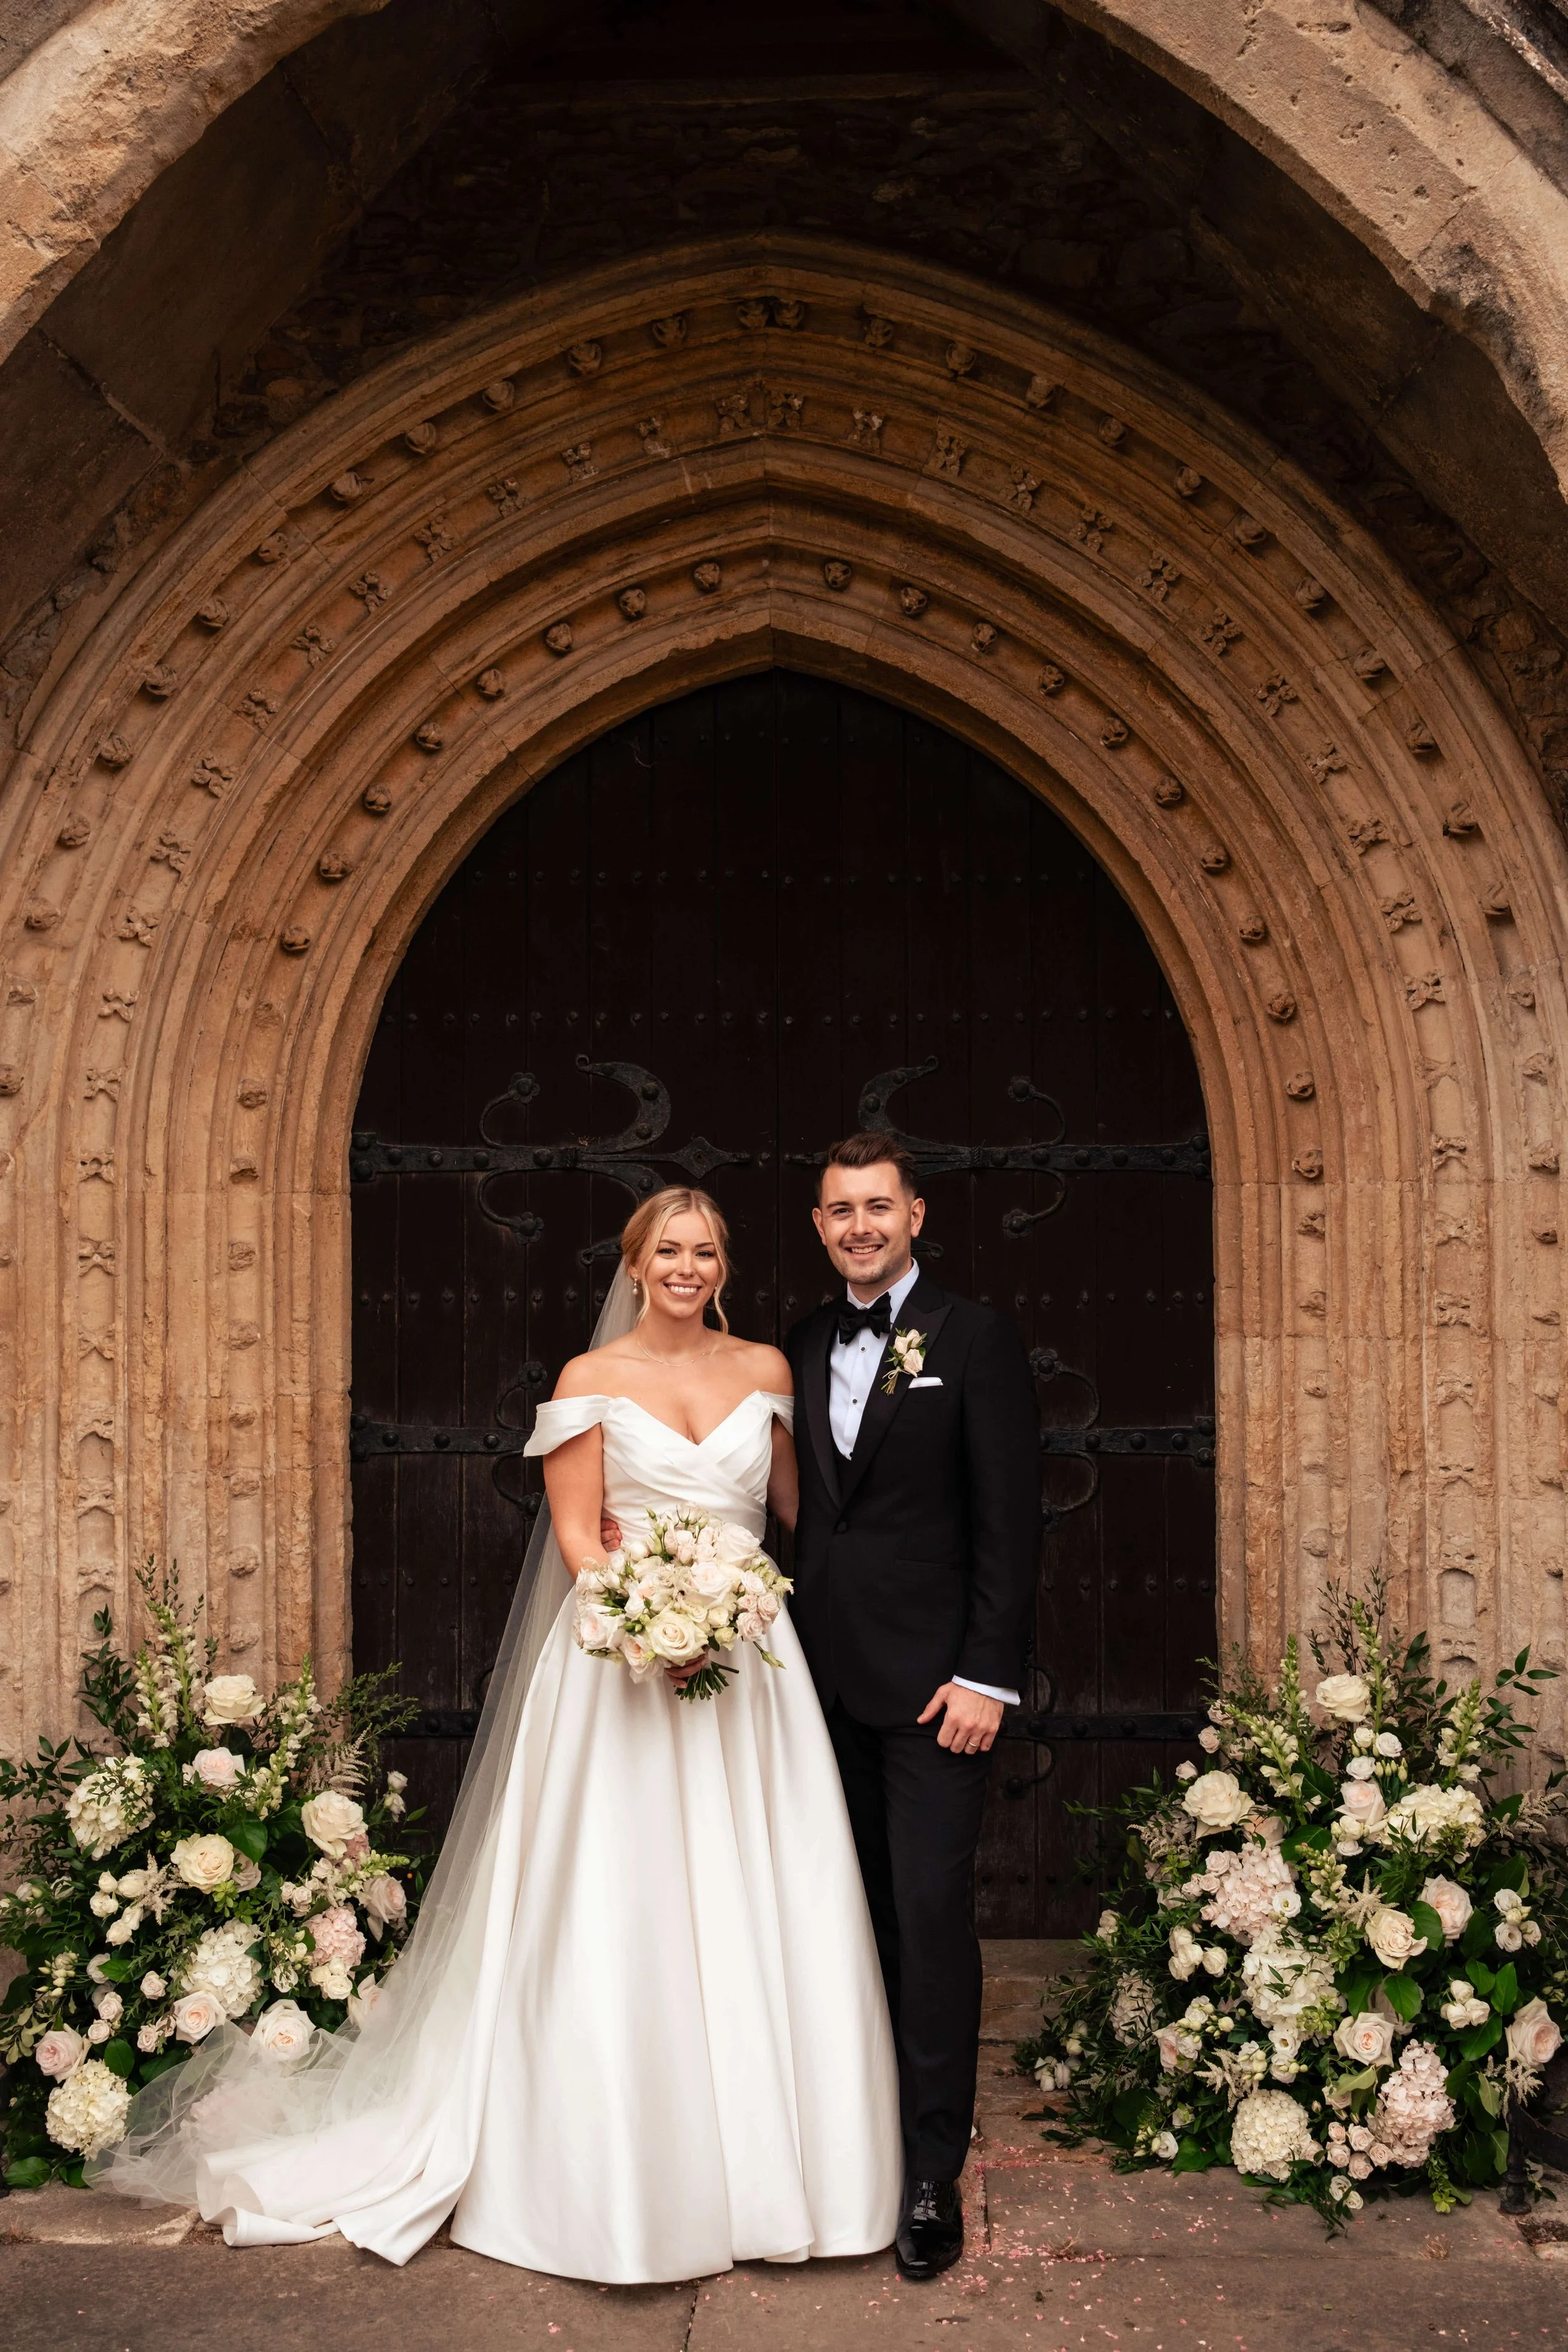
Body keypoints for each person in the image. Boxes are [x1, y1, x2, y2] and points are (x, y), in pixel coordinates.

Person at [94, 1187, 901, 2280]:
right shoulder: (590, 1381)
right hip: (623, 1668)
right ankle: (614, 2176)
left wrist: (740, 1605)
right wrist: (655, 1623)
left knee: (774, 1889)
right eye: (668, 1248)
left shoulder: (765, 1370)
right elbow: (578, 1535)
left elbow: (800, 1513)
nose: (687, 1266)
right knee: (623, 1900)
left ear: (726, 1264)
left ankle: (784, 2169)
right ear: (635, 1260)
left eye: (706, 1249)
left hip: (752, 1672)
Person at [783, 1133, 1040, 2282]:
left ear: (918, 1214)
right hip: (814, 1691)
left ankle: (932, 2171)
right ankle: (851, 2147)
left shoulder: (976, 1338)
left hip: (940, 1696)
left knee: (931, 1923)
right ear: (820, 1223)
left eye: (878, 1207)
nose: (860, 1227)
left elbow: (1011, 1520)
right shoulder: (793, 1341)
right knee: (846, 1920)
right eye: (841, 1210)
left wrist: (987, 1675)